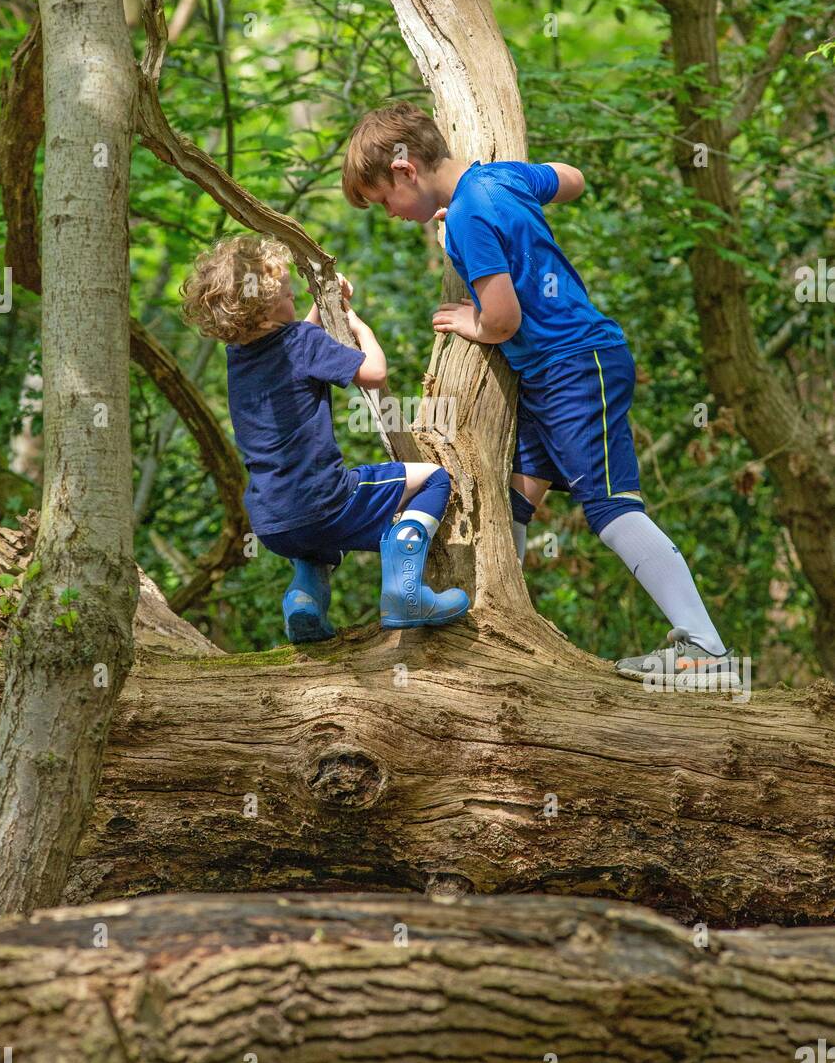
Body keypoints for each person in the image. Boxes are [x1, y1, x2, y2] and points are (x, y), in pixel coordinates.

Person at [341, 101, 737, 691]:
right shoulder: (496, 180)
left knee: (610, 507)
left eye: (383, 200)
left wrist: (467, 319)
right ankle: (493, 627)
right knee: (512, 502)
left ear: (405, 172)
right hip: (552, 377)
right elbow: (572, 179)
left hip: (578, 367)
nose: (391, 214)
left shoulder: (472, 214)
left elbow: (500, 319)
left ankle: (708, 650)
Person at [180, 233, 469, 642]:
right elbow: (373, 373)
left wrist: (324, 304)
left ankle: (304, 603)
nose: (293, 292)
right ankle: (404, 595)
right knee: (434, 479)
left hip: (273, 522)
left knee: (317, 546)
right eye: (286, 291)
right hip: (328, 501)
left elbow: (295, 347)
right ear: (264, 304)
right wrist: (357, 326)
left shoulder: (240, 357)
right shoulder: (301, 342)